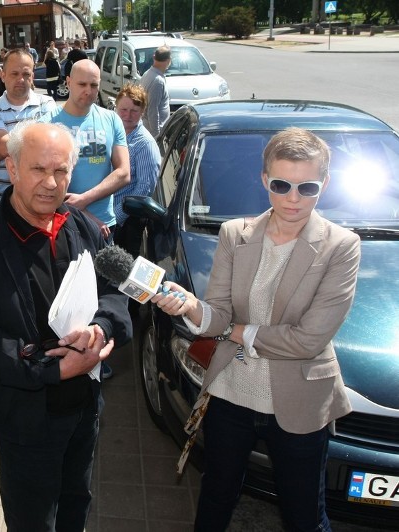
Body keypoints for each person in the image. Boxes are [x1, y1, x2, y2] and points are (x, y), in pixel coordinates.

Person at [152, 127, 361, 531]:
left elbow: (309, 339)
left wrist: (237, 331)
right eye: (281, 184)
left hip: (299, 403)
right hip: (231, 396)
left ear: (326, 183)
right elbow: (217, 313)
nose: (292, 198)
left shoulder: (342, 246)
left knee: (304, 516)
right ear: (265, 179)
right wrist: (192, 307)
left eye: (307, 187)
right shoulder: (235, 234)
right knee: (215, 498)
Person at [0, 122, 131, 532]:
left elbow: (115, 293)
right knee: (32, 520)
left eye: (61, 171)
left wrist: (101, 329)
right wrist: (54, 369)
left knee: (75, 504)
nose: (51, 183)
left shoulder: (81, 226)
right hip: (25, 418)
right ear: (11, 168)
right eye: (38, 170)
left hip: (84, 407)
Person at [40, 59, 130, 381]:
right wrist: (82, 213)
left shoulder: (110, 119)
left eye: (94, 85)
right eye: (82, 84)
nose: (89, 91)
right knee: (66, 296)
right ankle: (65, 355)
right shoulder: (49, 121)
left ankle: (95, 354)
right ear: (67, 82)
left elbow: (123, 172)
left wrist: (86, 202)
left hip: (105, 227)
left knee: (101, 294)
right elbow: (45, 181)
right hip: (62, 227)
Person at [0, 48, 58, 199]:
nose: (21, 79)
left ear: (32, 76)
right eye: (14, 74)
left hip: (41, 195)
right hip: (4, 198)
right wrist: (2, 148)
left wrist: (7, 151)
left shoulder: (47, 104)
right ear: (3, 76)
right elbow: (3, 145)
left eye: (26, 74)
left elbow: (51, 146)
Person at [112, 83, 162, 258]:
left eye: (134, 110)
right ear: (115, 108)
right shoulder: (112, 133)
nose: (127, 115)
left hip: (125, 224)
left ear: (142, 111)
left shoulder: (144, 144)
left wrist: (115, 217)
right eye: (123, 109)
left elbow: (143, 191)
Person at [139, 45, 171, 137]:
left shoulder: (148, 73)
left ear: (154, 57)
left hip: (149, 128)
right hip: (155, 132)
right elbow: (152, 110)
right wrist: (157, 135)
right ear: (168, 60)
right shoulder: (157, 81)